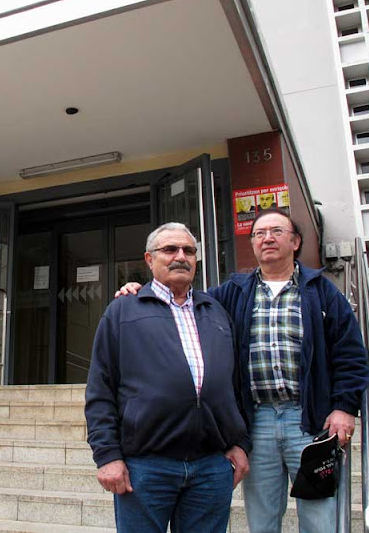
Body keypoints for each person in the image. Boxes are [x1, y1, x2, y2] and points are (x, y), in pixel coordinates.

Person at [116, 209, 369, 533]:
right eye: (259, 233)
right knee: (262, 521)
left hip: (311, 422)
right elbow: (183, 302)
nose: (268, 238)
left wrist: (344, 407)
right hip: (257, 422)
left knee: (322, 521)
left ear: (295, 241)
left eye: (277, 231)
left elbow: (350, 354)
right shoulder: (232, 293)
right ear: (252, 245)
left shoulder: (322, 291)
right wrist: (139, 291)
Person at [85, 222, 250, 533]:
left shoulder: (216, 311)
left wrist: (240, 442)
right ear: (149, 260)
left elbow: (235, 384)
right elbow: (100, 389)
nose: (180, 256)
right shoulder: (123, 311)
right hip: (146, 467)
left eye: (188, 250)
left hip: (211, 466)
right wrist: (107, 455)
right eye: (170, 249)